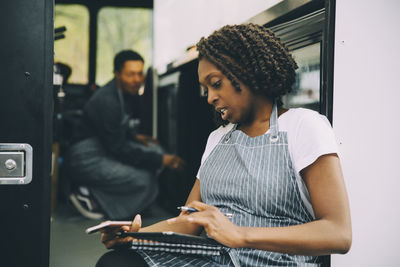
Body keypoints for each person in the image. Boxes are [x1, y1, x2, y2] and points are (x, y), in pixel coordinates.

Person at [96, 24, 352, 266]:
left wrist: (242, 235)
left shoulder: (304, 126)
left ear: (248, 72)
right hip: (216, 259)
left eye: (216, 84)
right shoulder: (217, 138)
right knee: (115, 262)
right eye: (205, 89)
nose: (209, 97)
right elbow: (190, 220)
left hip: (277, 262)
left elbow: (338, 233)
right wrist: (135, 235)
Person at [68, 50, 185, 220]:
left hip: (106, 147)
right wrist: (161, 160)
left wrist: (134, 137)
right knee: (146, 181)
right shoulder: (107, 101)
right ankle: (90, 196)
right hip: (86, 159)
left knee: (155, 149)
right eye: (131, 74)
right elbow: (118, 149)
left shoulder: (127, 93)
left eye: (140, 73)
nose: (137, 80)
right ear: (117, 74)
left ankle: (108, 194)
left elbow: (115, 130)